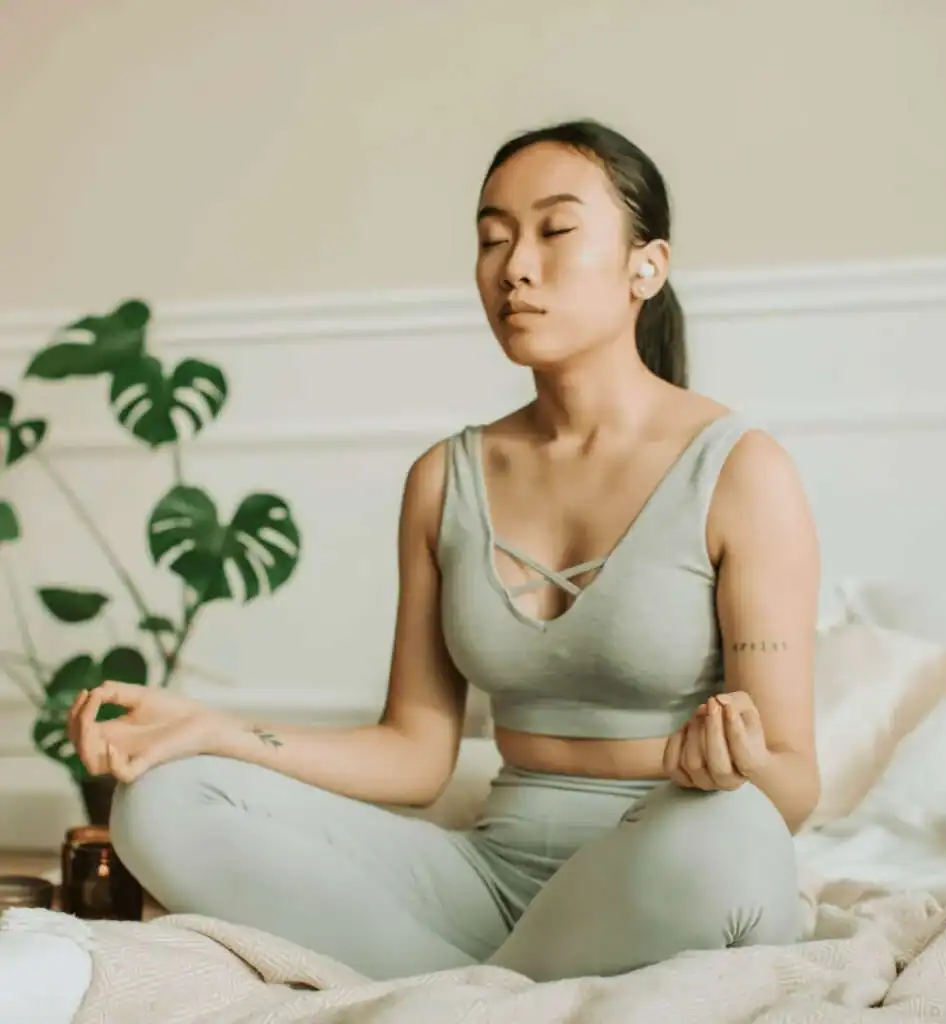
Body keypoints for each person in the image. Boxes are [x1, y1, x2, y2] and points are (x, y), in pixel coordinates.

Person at [66, 119, 821, 984]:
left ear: (645, 266)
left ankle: (451, 992)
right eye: (493, 239)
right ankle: (490, 995)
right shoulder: (444, 477)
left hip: (663, 861)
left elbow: (793, 784)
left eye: (555, 230)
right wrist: (215, 730)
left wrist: (730, 770)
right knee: (162, 801)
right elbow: (414, 753)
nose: (515, 267)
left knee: (731, 833)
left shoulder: (740, 470)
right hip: (488, 880)